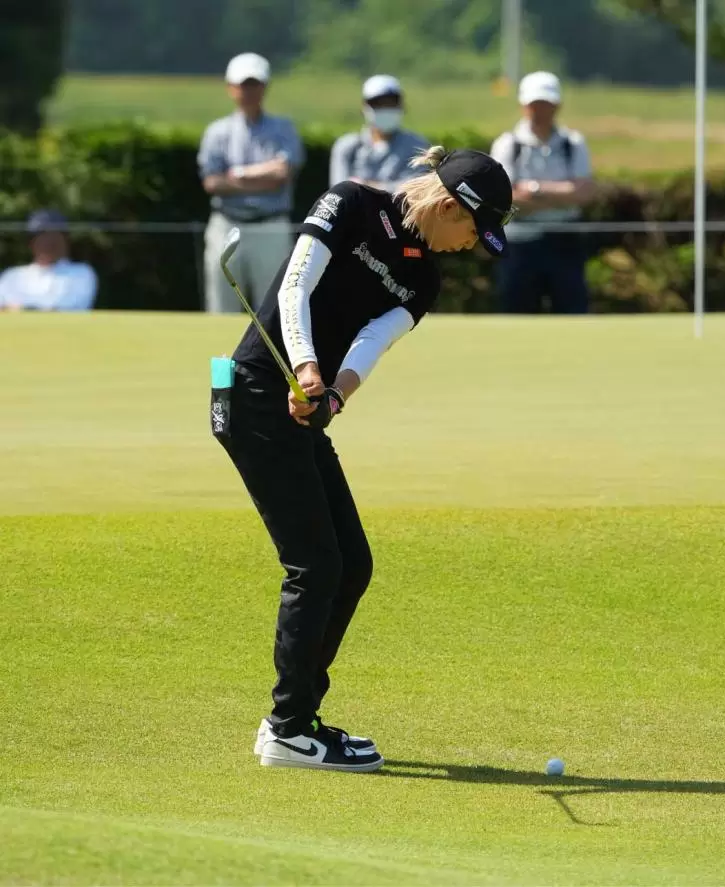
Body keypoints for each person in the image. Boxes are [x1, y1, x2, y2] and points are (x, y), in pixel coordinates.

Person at [214, 147, 514, 772]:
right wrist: (305, 369)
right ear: (449, 204)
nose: (469, 247)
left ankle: (297, 719)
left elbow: (371, 343)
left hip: (302, 405)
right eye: (471, 232)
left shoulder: (424, 280)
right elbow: (297, 284)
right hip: (253, 393)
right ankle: (289, 730)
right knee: (315, 565)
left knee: (352, 564)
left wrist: (332, 399)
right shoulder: (351, 203)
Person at [198, 52, 305, 314]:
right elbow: (212, 182)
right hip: (226, 224)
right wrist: (264, 178)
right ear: (230, 88)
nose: (248, 91)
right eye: (242, 85)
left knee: (274, 310)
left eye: (254, 84)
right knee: (222, 308)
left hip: (271, 225)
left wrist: (238, 175)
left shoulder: (283, 128)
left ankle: (267, 358)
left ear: (265, 87)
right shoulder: (217, 131)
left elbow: (283, 174)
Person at [490, 71, 596, 314]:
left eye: (545, 103)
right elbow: (503, 198)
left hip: (565, 240)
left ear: (557, 105)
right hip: (519, 243)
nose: (539, 110)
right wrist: (561, 196)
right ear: (523, 106)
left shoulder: (573, 142)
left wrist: (535, 191)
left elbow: (584, 193)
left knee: (572, 312)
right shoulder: (508, 143)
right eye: (534, 104)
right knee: (516, 314)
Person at [328, 75, 429, 191]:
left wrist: (365, 186)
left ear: (402, 106)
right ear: (364, 107)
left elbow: (414, 188)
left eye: (391, 104)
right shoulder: (346, 146)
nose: (385, 109)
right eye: (378, 104)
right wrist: (387, 188)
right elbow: (339, 191)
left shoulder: (418, 146)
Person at [0, 210, 97, 312]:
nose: (48, 242)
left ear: (66, 240)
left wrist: (22, 309)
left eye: (54, 236)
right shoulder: (12, 276)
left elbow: (69, 309)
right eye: (42, 236)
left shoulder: (82, 273)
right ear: (31, 243)